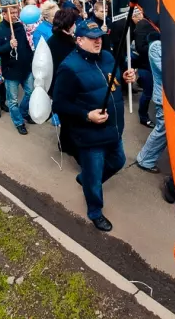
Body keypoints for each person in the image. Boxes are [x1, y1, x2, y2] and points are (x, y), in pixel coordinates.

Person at [52, 20, 137, 232]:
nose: (98, 41)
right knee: (94, 177)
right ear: (79, 40)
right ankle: (95, 212)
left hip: (114, 129)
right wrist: (86, 115)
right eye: (92, 38)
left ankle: (87, 179)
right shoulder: (69, 68)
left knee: (118, 161)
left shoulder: (108, 57)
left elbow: (111, 81)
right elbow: (59, 104)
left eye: (99, 36)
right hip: (89, 136)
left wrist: (125, 78)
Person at [0, 5, 35, 135]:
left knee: (30, 93)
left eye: (17, 12)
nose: (16, 15)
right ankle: (19, 122)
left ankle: (23, 112)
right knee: (13, 100)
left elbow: (26, 46)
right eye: (13, 13)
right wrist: (8, 45)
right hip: (11, 71)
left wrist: (31, 60)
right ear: (4, 14)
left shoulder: (20, 26)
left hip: (25, 68)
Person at [135, 32, 166, 172]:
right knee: (162, 130)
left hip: (170, 97)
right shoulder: (156, 45)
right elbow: (168, 71)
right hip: (164, 98)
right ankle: (145, 159)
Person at [132, 8, 155, 127]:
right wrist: (157, 47)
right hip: (146, 65)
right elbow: (140, 48)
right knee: (148, 92)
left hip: (154, 64)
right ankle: (143, 117)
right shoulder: (142, 24)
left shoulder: (154, 21)